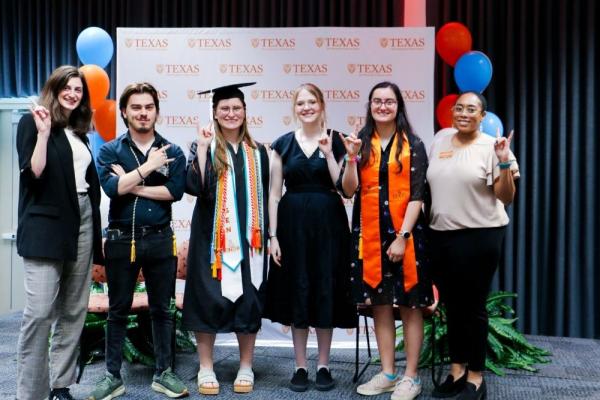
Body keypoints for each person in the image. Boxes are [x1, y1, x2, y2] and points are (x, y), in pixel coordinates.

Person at [89, 82, 188, 399]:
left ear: (156, 111)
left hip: (160, 240)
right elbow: (111, 188)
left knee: (163, 310)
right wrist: (149, 168)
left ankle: (164, 373)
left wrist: (131, 181)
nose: (143, 113)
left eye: (148, 107)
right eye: (136, 107)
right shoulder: (109, 150)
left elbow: (173, 192)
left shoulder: (172, 152)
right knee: (117, 310)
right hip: (120, 240)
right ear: (124, 112)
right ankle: (112, 376)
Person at [340, 81, 433, 400]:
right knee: (379, 304)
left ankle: (411, 376)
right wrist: (351, 158)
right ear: (370, 105)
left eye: (389, 101)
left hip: (405, 235)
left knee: (410, 305)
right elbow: (348, 190)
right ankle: (388, 373)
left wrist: (402, 237)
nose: (383, 106)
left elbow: (418, 194)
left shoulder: (415, 144)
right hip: (369, 234)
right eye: (377, 101)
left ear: (398, 106)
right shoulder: (359, 142)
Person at [15, 65, 103, 400]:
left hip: (82, 219)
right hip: (45, 227)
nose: (73, 94)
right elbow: (34, 174)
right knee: (39, 313)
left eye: (78, 90)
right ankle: (30, 393)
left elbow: (86, 182)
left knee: (73, 308)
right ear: (54, 89)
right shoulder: (33, 123)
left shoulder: (79, 132)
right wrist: (41, 133)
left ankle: (61, 386)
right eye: (67, 88)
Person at [427, 92, 519, 400]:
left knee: (473, 307)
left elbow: (506, 197)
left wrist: (504, 161)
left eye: (472, 109)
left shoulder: (493, 146)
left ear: (482, 116)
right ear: (452, 111)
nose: (464, 113)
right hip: (442, 236)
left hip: (480, 235)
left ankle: (476, 377)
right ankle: (457, 370)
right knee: (452, 307)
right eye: (459, 108)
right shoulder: (440, 139)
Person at [264, 83, 355, 392]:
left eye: (311, 101)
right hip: (291, 227)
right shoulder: (282, 144)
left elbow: (342, 186)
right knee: (298, 290)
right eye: (301, 102)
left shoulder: (337, 141)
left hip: (328, 225)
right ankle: (300, 366)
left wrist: (330, 154)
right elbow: (274, 194)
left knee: (325, 289)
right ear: (295, 108)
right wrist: (273, 236)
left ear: (321, 104)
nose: (306, 107)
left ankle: (324, 366)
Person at [181, 82, 269, 395]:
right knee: (207, 298)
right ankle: (206, 366)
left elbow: (267, 197)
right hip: (211, 239)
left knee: (248, 300)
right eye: (224, 109)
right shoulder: (202, 146)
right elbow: (195, 186)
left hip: (249, 242)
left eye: (236, 108)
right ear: (215, 114)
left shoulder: (259, 153)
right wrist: (203, 148)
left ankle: (246, 365)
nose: (231, 114)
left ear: (245, 112)